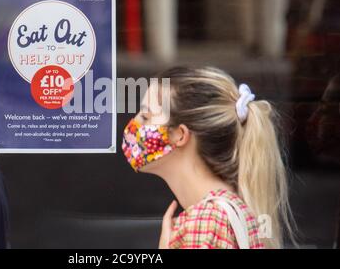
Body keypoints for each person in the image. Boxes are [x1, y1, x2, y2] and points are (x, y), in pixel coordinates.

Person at [121, 66, 296, 249]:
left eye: (146, 116)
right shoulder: (230, 210)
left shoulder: (204, 223)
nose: (134, 124)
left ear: (180, 135)